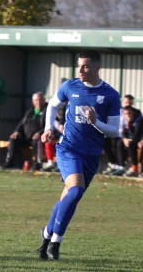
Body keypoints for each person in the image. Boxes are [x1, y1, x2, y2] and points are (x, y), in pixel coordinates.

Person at [38, 50, 120, 260]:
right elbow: (53, 104)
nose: (81, 70)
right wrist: (48, 128)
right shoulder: (70, 86)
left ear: (97, 67)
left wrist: (96, 122)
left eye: (85, 66)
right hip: (69, 149)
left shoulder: (110, 95)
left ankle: (47, 234)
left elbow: (113, 130)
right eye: (79, 65)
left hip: (91, 155)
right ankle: (55, 242)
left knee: (70, 197)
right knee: (75, 192)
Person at [2, 92, 47, 170]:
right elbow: (22, 123)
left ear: (44, 100)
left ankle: (37, 164)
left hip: (39, 138)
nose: (38, 102)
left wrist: (39, 133)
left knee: (36, 140)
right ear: (33, 102)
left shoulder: (47, 110)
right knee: (13, 139)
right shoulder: (30, 111)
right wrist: (16, 131)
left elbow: (49, 125)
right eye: (36, 100)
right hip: (26, 137)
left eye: (40, 100)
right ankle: (10, 162)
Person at [104, 94, 141, 174]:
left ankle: (121, 166)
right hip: (119, 135)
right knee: (105, 141)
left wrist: (126, 137)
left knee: (120, 143)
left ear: (132, 104)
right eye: (125, 102)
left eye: (129, 103)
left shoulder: (136, 113)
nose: (127, 104)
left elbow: (135, 129)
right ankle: (114, 164)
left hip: (129, 137)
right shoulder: (119, 111)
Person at [112, 106, 143, 177]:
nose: (127, 115)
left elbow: (136, 135)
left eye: (129, 113)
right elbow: (124, 132)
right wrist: (124, 138)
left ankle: (134, 168)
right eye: (125, 114)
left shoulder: (139, 120)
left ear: (133, 113)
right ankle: (121, 166)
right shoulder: (128, 121)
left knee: (132, 144)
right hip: (134, 140)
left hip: (139, 140)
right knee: (120, 142)